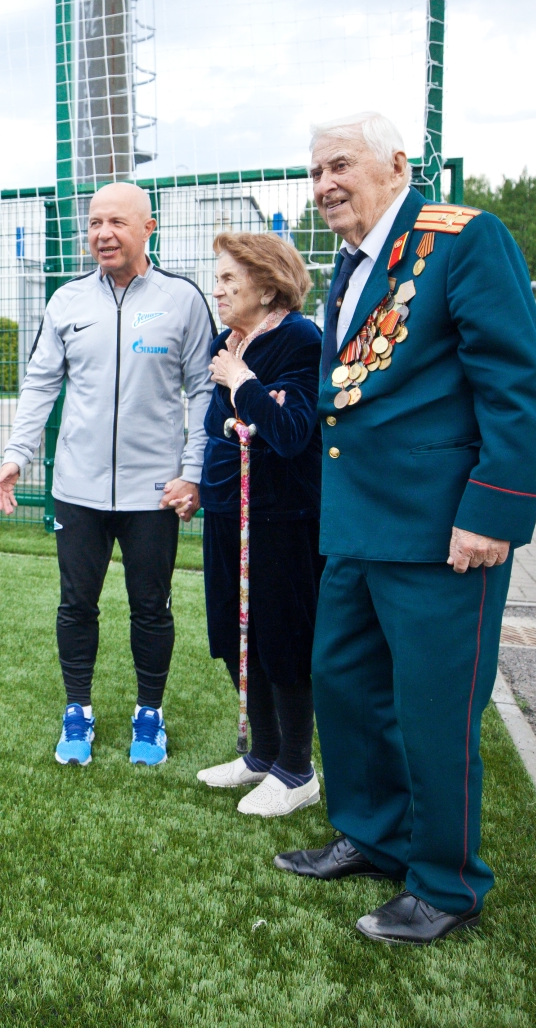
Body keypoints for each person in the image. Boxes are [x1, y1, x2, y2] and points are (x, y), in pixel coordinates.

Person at [272, 112, 536, 944]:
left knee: (433, 710)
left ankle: (446, 882)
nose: (324, 184)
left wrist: (492, 510)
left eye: (340, 166)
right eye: (315, 170)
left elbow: (517, 381)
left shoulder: (464, 239)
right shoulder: (353, 262)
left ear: (396, 165)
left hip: (442, 533)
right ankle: (373, 835)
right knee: (347, 689)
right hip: (357, 523)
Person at [0, 181, 215, 768]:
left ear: (149, 228)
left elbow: (205, 390)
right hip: (78, 490)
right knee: (76, 605)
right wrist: (18, 454)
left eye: (116, 222)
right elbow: (41, 383)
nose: (102, 234)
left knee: (151, 606)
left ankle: (150, 714)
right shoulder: (66, 301)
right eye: (94, 223)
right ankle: (78, 712)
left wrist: (192, 473)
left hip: (155, 492)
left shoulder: (184, 300)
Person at [193, 233, 325, 817]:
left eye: (228, 280)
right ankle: (262, 755)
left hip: (281, 517)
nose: (216, 290)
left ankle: (297, 769)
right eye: (216, 278)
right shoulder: (228, 342)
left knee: (281, 638)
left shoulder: (299, 340)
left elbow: (292, 433)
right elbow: (222, 429)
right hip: (228, 508)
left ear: (267, 286)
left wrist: (242, 381)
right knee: (232, 631)